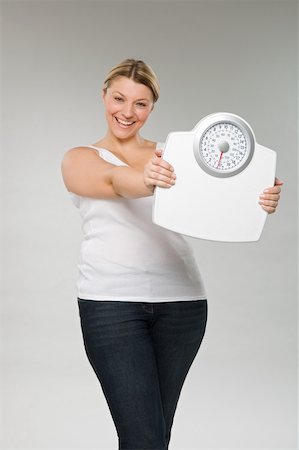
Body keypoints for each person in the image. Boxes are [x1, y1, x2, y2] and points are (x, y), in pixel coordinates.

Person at [61, 59, 283, 450]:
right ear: (104, 96)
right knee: (142, 437)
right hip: (111, 306)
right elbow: (114, 182)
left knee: (156, 436)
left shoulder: (177, 153)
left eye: (141, 104)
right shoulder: (79, 157)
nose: (127, 112)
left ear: (152, 108)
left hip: (182, 305)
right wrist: (147, 178)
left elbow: (219, 205)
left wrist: (258, 198)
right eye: (119, 98)